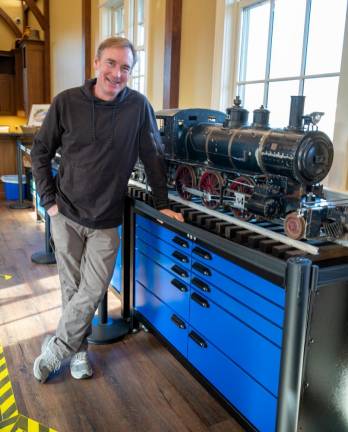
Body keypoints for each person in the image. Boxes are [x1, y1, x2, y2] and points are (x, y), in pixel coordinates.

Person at [31, 36, 184, 383]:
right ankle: (79, 354)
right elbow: (40, 151)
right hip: (66, 214)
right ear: (97, 64)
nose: (117, 73)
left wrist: (163, 203)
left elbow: (153, 157)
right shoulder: (67, 103)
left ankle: (57, 349)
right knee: (71, 288)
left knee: (93, 288)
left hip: (106, 220)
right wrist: (49, 203)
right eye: (111, 64)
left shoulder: (137, 107)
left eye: (126, 67)